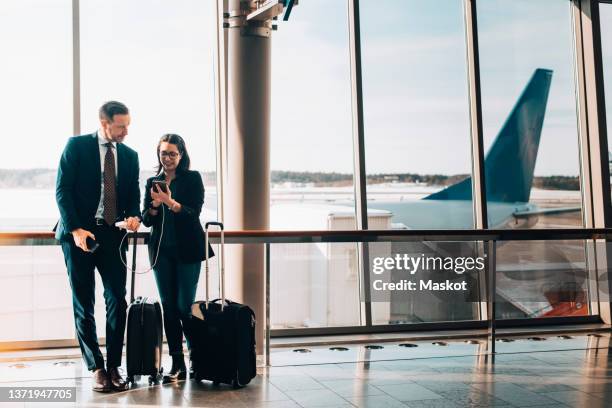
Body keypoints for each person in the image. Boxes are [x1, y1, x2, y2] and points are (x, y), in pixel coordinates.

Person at [55, 101, 141, 392]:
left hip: (112, 236)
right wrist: (75, 229)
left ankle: (115, 365)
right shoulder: (76, 146)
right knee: (84, 303)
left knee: (118, 299)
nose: (126, 131)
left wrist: (133, 216)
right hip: (79, 236)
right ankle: (97, 367)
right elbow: (62, 190)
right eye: (121, 126)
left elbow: (132, 196)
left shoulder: (130, 156)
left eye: (128, 125)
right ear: (104, 123)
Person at [142, 134, 212, 382]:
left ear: (181, 155)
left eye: (172, 153)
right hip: (162, 253)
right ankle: (177, 363)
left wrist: (170, 202)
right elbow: (147, 220)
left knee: (184, 307)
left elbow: (193, 213)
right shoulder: (153, 180)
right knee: (169, 309)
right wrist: (153, 205)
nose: (168, 158)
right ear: (158, 154)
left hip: (188, 251)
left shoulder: (192, 178)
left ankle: (197, 355)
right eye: (163, 153)